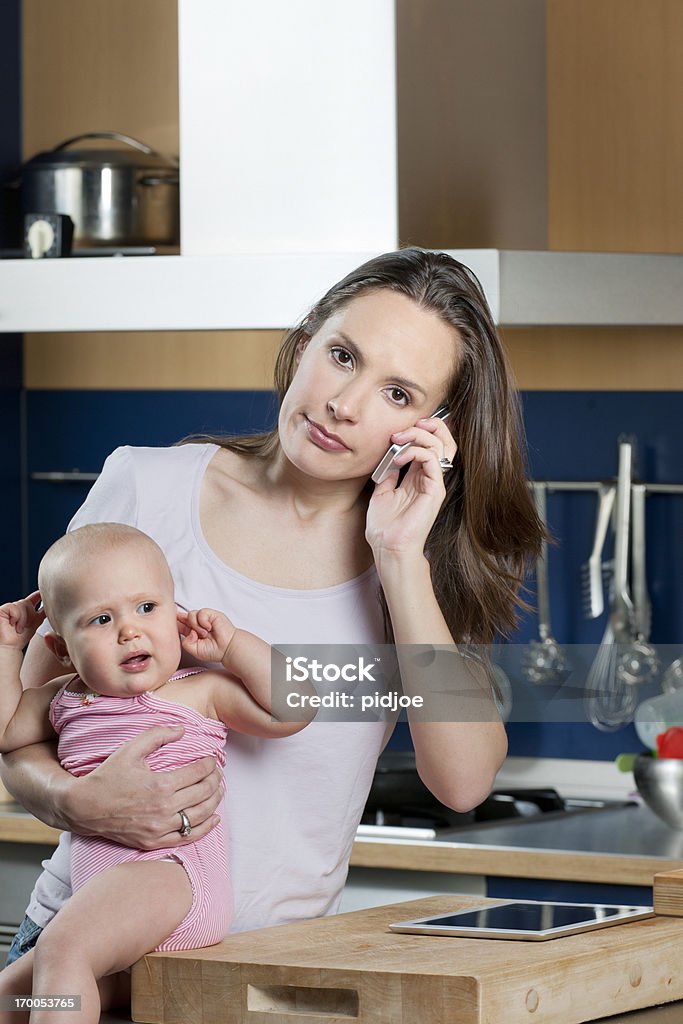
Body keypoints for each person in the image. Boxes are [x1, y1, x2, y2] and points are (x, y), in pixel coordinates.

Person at [0, 247, 542, 977]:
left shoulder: (404, 567)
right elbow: (22, 729)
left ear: (430, 425)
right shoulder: (145, 488)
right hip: (72, 949)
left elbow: (463, 782)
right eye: (343, 356)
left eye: (398, 394)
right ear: (307, 338)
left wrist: (398, 558)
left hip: (266, 980)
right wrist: (79, 802)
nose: (344, 406)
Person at [0, 523, 312, 1022]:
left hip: (172, 880)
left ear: (175, 614)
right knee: (13, 995)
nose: (130, 630)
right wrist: (7, 650)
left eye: (148, 608)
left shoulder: (197, 691)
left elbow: (296, 708)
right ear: (62, 649)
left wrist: (233, 647)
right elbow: (4, 733)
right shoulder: (62, 699)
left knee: (63, 951)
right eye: (101, 619)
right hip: (111, 904)